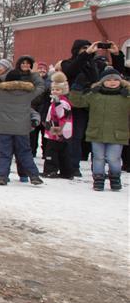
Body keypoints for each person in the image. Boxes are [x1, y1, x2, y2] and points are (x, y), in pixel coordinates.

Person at [61, 40, 125, 176]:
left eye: (89, 47)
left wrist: (117, 55)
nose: (88, 50)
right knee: (76, 137)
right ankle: (73, 167)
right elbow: (72, 70)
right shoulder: (67, 63)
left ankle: (98, 170)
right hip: (77, 103)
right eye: (83, 48)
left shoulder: (97, 64)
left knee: (96, 137)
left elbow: (116, 74)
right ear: (76, 50)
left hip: (95, 104)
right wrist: (86, 54)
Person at [0, 63, 45, 186]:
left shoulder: (0, 93)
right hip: (22, 128)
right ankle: (34, 176)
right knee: (25, 152)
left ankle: (2, 176)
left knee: (4, 153)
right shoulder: (27, 94)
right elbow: (41, 86)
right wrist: (33, 73)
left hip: (4, 128)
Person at [68, 67, 130, 191]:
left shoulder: (126, 97)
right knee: (98, 158)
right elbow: (77, 102)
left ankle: (115, 177)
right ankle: (98, 179)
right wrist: (77, 88)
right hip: (97, 133)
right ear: (102, 81)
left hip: (117, 134)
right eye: (108, 80)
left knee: (114, 158)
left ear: (121, 81)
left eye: (115, 79)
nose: (112, 82)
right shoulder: (94, 95)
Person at [42, 71, 73, 178]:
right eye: (53, 89)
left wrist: (57, 103)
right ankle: (66, 172)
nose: (55, 91)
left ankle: (51, 170)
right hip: (56, 130)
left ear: (63, 91)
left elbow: (61, 114)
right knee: (62, 152)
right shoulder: (56, 101)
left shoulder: (62, 102)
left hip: (58, 130)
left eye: (58, 89)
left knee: (52, 151)